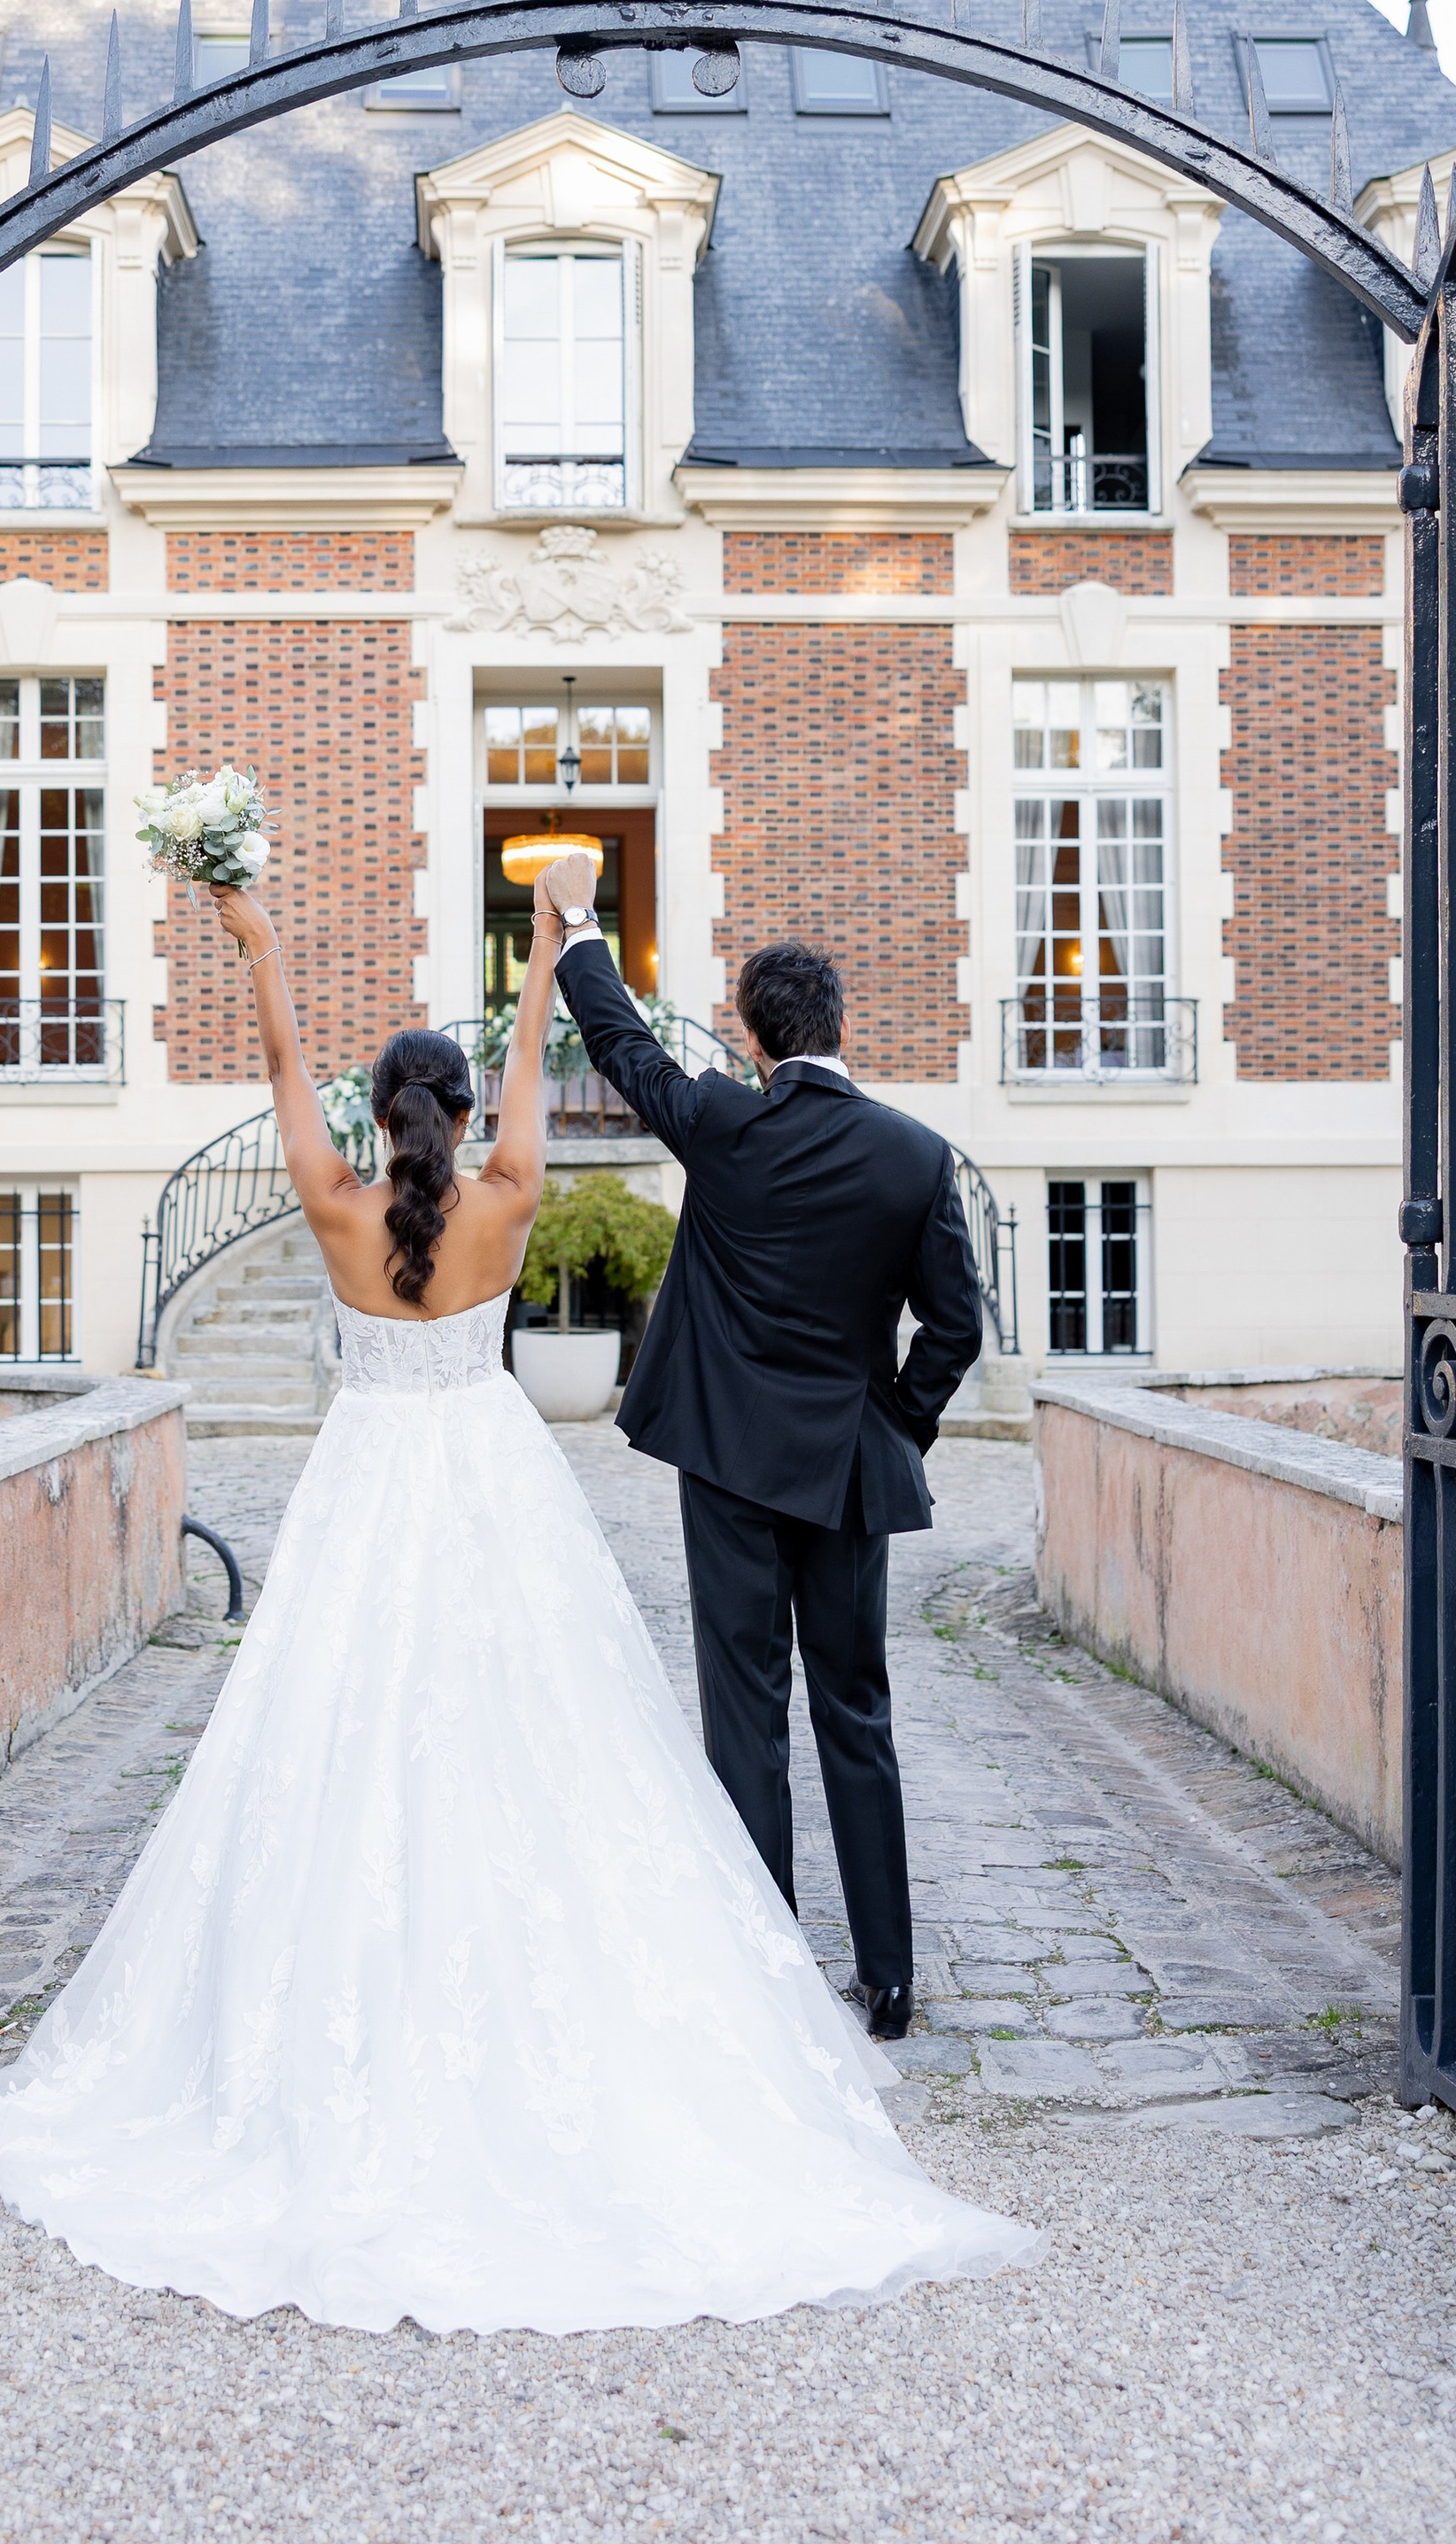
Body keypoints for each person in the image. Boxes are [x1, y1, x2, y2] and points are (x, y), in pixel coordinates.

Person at [0, 864, 1034, 2333]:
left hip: (418, 1488)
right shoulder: (543, 1197)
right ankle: (853, 1978)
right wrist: (548, 947)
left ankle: (722, 1944)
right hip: (635, 1477)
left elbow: (298, 1071)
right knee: (712, 1721)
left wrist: (261, 943)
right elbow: (564, 1077)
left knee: (378, 1723)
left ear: (381, 1116)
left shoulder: (341, 1207)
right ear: (463, 1122)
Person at [539, 853, 980, 2043]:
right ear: (841, 1026)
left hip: (731, 1464)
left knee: (745, 1710)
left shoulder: (724, 1123)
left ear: (752, 1036)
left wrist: (580, 925)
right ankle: (890, 1978)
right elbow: (955, 1326)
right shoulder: (915, 1155)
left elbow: (622, 1046)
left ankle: (767, 1968)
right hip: (848, 1473)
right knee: (857, 1710)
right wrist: (895, 1421)